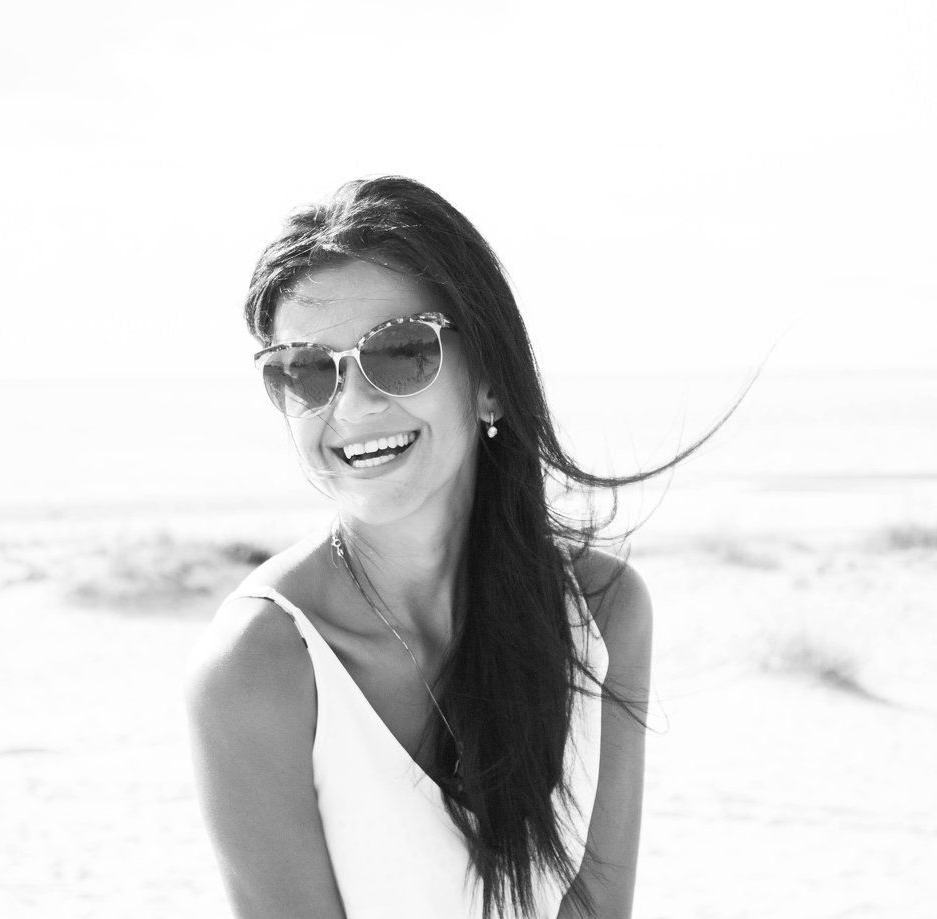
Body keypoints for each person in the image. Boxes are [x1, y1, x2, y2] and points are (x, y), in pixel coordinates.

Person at [184, 176, 669, 919]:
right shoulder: (260, 666)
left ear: (491, 382)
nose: (352, 405)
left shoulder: (603, 612)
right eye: (305, 371)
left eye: (401, 351)